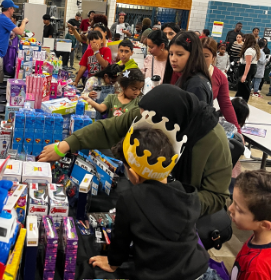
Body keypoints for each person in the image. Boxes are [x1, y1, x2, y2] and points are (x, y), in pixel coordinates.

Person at [38, 84, 233, 218]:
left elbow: (217, 196)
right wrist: (65, 145)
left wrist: (172, 200)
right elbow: (109, 129)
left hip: (183, 211)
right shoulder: (148, 112)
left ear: (168, 125)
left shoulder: (212, 140)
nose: (141, 122)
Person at [85, 108, 216, 279]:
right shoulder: (187, 194)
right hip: (199, 271)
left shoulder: (130, 199)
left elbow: (121, 240)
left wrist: (113, 262)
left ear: (133, 173)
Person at [230, 170, 271, 280]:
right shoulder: (259, 237)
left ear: (264, 225)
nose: (230, 208)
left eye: (238, 209)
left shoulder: (257, 269)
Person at [201, 36, 242, 127]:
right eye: (198, 55)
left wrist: (237, 130)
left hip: (204, 122)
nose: (201, 59)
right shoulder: (184, 72)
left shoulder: (220, 77)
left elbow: (226, 105)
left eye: (206, 56)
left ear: (213, 57)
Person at [168, 32, 216, 103]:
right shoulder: (188, 77)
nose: (173, 59)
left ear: (193, 55)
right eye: (171, 54)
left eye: (179, 54)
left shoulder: (196, 85)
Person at [238, 34, 263, 100]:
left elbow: (248, 63)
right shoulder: (254, 48)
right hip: (252, 67)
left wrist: (244, 75)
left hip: (247, 68)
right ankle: (240, 100)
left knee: (244, 87)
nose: (244, 40)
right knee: (245, 86)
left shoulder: (249, 50)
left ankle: (242, 102)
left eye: (245, 39)